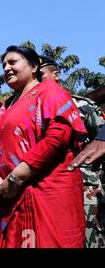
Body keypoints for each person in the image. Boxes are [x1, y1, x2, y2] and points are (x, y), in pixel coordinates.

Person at [0, 46, 87, 248]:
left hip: (47, 194)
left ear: (34, 66)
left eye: (13, 62)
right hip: (8, 198)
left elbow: (57, 137)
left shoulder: (49, 91)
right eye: (3, 65)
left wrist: (17, 177)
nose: (6, 68)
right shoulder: (6, 105)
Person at [39, 56, 105, 248]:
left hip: (85, 189)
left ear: (56, 75)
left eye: (41, 75)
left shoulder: (82, 106)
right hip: (47, 188)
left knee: (90, 239)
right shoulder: (32, 109)